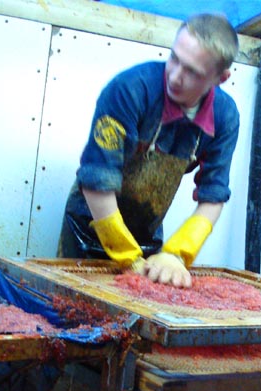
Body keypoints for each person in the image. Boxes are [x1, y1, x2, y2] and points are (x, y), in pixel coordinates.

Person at [58, 12, 239, 288]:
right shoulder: (130, 89)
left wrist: (176, 254)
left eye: (192, 72)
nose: (175, 77)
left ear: (220, 78)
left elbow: (213, 194)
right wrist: (129, 258)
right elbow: (96, 180)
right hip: (91, 223)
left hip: (148, 231)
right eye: (174, 58)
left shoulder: (224, 117)